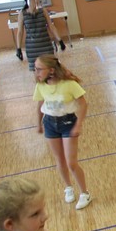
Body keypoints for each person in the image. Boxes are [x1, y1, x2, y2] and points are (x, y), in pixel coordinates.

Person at [33, 55, 92, 209]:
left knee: (71, 162)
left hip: (67, 123)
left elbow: (83, 104)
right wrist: (39, 123)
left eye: (39, 69)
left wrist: (78, 125)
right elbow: (40, 104)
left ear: (51, 70)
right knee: (60, 160)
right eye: (35, 69)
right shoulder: (41, 86)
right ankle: (68, 187)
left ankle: (85, 193)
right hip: (50, 123)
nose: (36, 72)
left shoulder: (69, 84)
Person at [17, 0, 62, 71]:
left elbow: (51, 26)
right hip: (32, 47)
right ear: (27, 1)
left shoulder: (43, 11)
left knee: (51, 67)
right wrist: (18, 49)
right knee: (37, 70)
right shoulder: (22, 13)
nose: (35, 0)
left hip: (46, 45)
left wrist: (60, 40)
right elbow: (20, 32)